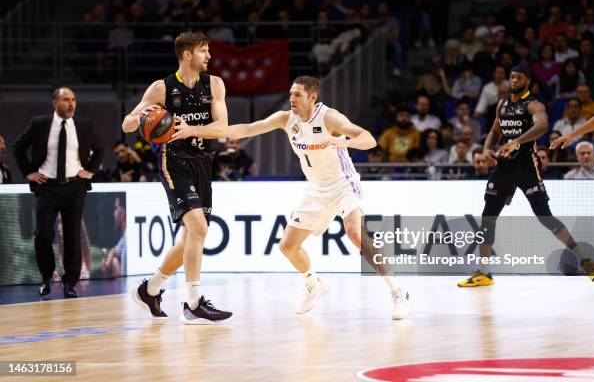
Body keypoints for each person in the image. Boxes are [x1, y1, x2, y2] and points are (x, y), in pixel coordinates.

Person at [226, 75, 411, 320]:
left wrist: (339, 140)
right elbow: (249, 129)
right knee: (287, 246)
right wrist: (209, 131)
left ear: (313, 97)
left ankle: (398, 293)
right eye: (291, 93)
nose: (291, 98)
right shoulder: (285, 119)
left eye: (297, 94)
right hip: (316, 189)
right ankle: (315, 284)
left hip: (343, 184)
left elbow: (369, 139)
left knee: (356, 234)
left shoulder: (329, 117)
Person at [121, 32, 232, 324]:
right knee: (199, 227)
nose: (209, 56)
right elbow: (128, 124)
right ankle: (193, 302)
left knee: (189, 239)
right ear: (187, 55)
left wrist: (192, 130)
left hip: (203, 162)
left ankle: (150, 289)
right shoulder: (162, 88)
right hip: (175, 162)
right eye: (204, 51)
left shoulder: (215, 85)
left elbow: (222, 128)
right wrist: (145, 115)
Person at [457, 65, 594, 287]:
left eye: (519, 77)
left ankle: (585, 260)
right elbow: (495, 131)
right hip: (504, 168)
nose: (514, 80)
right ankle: (483, 273)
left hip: (526, 167)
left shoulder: (534, 105)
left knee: (545, 216)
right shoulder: (503, 103)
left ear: (528, 81)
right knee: (488, 217)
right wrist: (487, 148)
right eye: (512, 76)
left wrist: (516, 141)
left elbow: (542, 126)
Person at [13, 87, 103, 298]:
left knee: (73, 236)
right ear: (55, 103)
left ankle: (69, 283)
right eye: (65, 100)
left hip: (74, 187)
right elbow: (18, 147)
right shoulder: (39, 124)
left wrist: (89, 171)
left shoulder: (83, 124)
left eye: (73, 100)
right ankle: (46, 278)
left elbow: (99, 149)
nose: (71, 104)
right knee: (43, 235)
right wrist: (29, 173)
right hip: (47, 187)